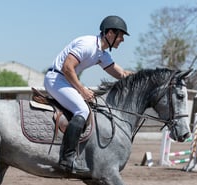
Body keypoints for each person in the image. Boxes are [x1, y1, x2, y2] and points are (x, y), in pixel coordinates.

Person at [44, 15, 133, 174]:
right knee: (82, 110)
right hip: (56, 79)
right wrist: (82, 89)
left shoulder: (101, 54)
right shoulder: (88, 44)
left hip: (65, 80)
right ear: (110, 33)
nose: (122, 40)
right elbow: (67, 67)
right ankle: (67, 158)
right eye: (120, 35)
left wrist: (146, 77)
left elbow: (121, 74)